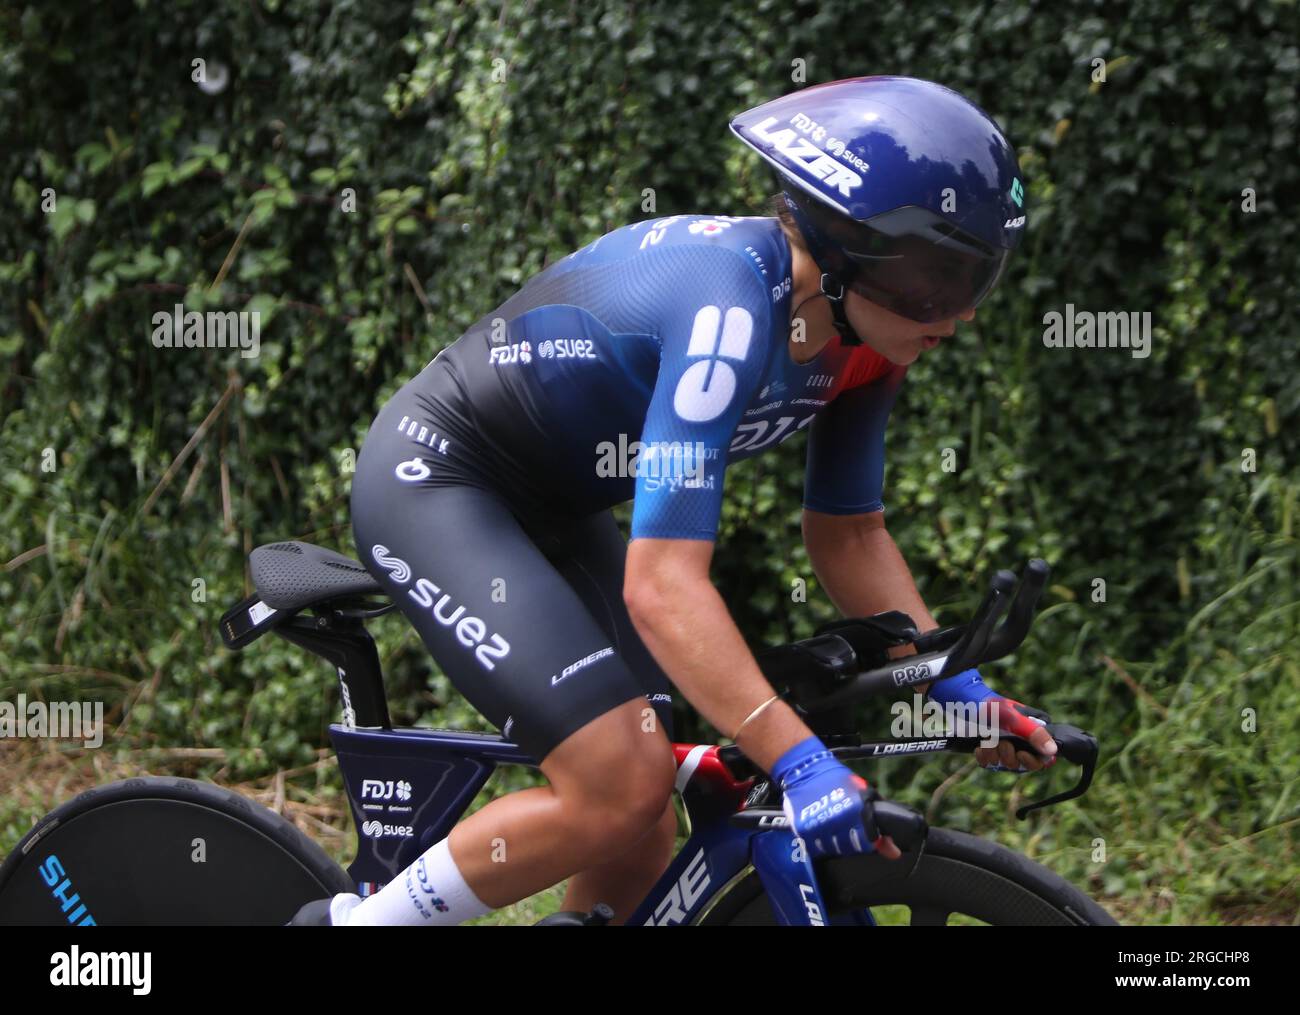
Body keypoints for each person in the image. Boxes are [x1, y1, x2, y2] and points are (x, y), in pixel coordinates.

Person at [294, 75, 1057, 927]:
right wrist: (799, 761)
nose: (957, 317)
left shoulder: (868, 337)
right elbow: (662, 586)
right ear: (848, 246)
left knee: (645, 805)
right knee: (617, 779)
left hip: (558, 506)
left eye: (976, 280)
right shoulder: (727, 306)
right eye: (938, 279)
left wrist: (958, 688)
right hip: (440, 480)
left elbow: (848, 534)